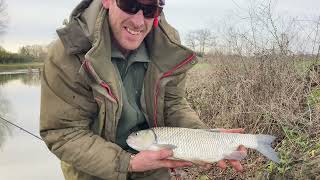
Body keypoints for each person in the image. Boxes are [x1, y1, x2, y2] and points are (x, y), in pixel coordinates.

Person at [40, 0, 246, 179]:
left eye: (150, 10)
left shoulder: (168, 45)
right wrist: (128, 163)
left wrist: (203, 137)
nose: (139, 22)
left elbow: (173, 104)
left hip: (154, 167)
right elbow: (63, 132)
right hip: (93, 171)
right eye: (130, 5)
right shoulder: (67, 53)